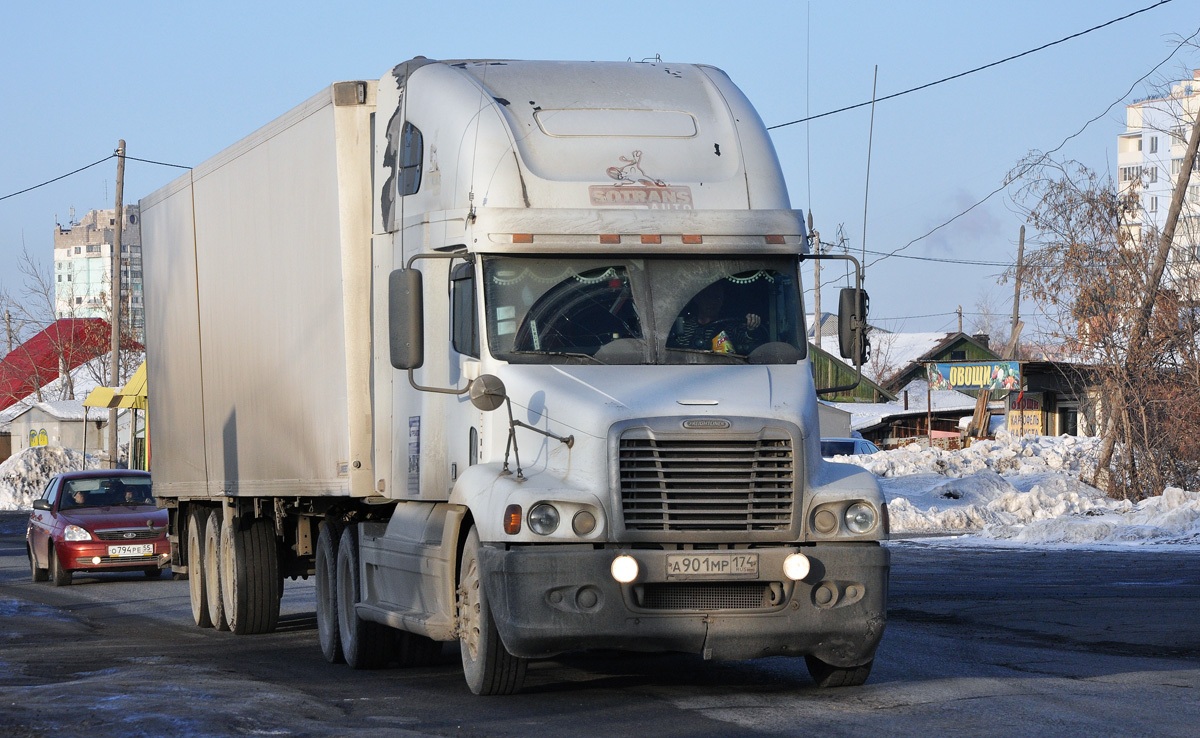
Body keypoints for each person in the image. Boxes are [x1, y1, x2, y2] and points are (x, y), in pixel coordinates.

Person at [668, 280, 762, 354]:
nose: (712, 302)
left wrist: (751, 328)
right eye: (708, 297)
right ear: (697, 299)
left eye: (717, 298)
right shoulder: (685, 327)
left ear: (722, 301)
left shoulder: (729, 328)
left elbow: (746, 341)